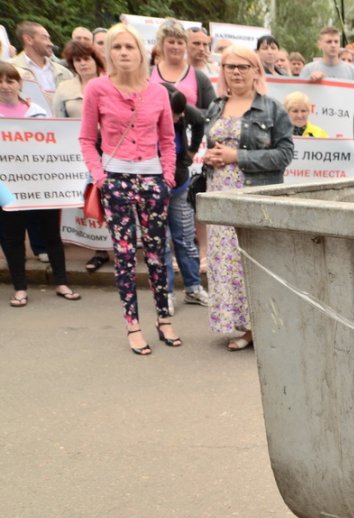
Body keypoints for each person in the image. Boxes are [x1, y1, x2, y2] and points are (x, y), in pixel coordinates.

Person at [78, 23, 178, 354]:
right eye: (117, 47)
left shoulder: (158, 92)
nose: (123, 52)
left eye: (129, 46)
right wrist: (101, 177)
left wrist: (167, 177)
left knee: (157, 253)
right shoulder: (97, 89)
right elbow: (86, 138)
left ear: (141, 52)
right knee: (123, 255)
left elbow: (168, 139)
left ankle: (164, 318)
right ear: (109, 53)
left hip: (152, 179)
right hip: (116, 179)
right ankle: (132, 324)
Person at [202, 45, 293, 351]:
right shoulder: (216, 106)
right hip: (219, 195)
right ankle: (240, 323)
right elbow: (212, 145)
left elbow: (284, 155)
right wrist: (210, 157)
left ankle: (258, 326)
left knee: (249, 261)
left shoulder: (272, 109)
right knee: (224, 262)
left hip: (252, 193)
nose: (237, 72)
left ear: (256, 71)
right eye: (230, 66)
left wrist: (236, 157)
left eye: (243, 66)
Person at [0, 62, 81, 308]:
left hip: (42, 186)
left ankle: (62, 282)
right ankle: (20, 288)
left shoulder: (37, 111)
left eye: (10, 80)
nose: (5, 86)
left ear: (19, 84)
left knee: (51, 235)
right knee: (13, 239)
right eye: (0, 81)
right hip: (7, 189)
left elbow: (54, 144)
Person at [52, 40, 114, 274]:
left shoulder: (110, 83)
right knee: (90, 201)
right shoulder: (64, 89)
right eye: (77, 60)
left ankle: (120, 245)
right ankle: (99, 250)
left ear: (96, 60)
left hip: (110, 151)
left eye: (87, 59)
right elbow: (59, 122)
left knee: (111, 199)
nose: (83, 64)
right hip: (78, 152)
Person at [159, 83, 210, 312]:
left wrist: (190, 152)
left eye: (181, 114)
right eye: (175, 115)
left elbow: (198, 121)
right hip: (153, 188)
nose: (179, 119)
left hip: (179, 185)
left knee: (186, 239)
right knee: (161, 244)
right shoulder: (145, 112)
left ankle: (193, 288)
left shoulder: (179, 105)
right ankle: (166, 293)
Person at [149, 19, 215, 110]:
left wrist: (189, 112)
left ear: (186, 46)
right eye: (171, 42)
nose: (176, 47)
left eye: (180, 43)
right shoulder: (148, 74)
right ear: (161, 44)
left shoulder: (199, 77)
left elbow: (212, 112)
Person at [10, 21, 74, 104]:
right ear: (28, 39)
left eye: (49, 39)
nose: (51, 44)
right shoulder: (10, 69)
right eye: (45, 38)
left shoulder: (64, 73)